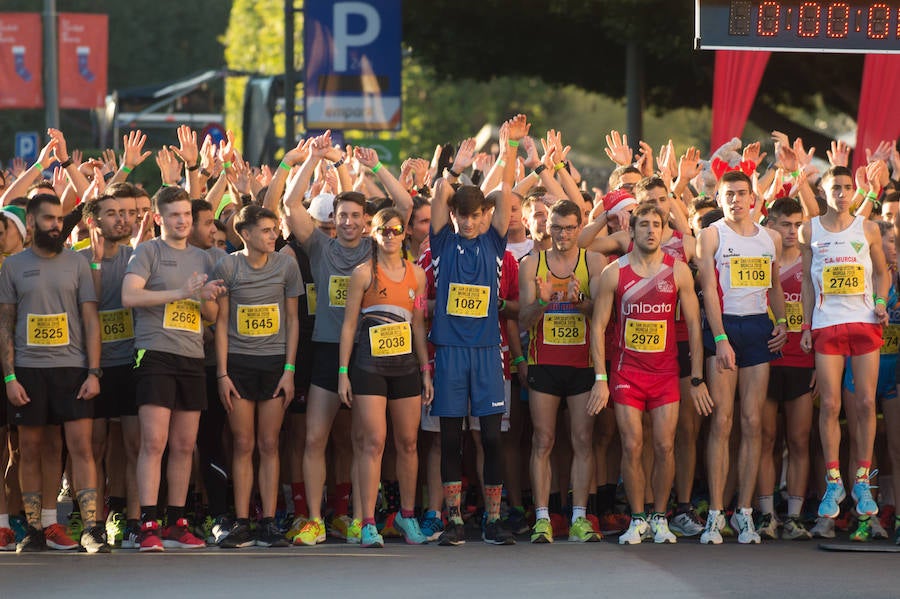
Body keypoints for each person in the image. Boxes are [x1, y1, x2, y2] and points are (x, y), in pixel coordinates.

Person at [283, 132, 412, 546]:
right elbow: (289, 205)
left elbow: (405, 206)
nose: (350, 222)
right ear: (333, 218)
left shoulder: (377, 248)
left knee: (364, 441)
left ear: (367, 221)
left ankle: (361, 519)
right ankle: (316, 520)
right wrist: (311, 160)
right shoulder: (319, 246)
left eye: (357, 216)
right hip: (325, 351)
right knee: (315, 437)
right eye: (343, 215)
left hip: (370, 353)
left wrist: (372, 168)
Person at [429, 115, 527, 546]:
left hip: (488, 352)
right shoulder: (442, 242)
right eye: (461, 216)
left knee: (491, 437)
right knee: (451, 439)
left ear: (485, 216)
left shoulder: (493, 241)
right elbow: (436, 199)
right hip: (449, 351)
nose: (468, 223)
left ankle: (491, 518)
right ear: (453, 215)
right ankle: (453, 519)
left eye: (475, 216)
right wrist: (449, 174)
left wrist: (510, 150)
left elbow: (506, 193)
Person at [588, 202, 711, 544]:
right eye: (644, 225)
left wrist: (698, 378)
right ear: (632, 231)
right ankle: (637, 518)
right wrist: (601, 379)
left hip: (665, 373)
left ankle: (659, 517)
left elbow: (694, 329)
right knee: (632, 444)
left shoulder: (678, 271)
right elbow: (598, 327)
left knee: (664, 445)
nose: (651, 230)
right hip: (627, 374)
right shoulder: (614, 273)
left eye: (657, 224)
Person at [0, 194, 107, 553]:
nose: (56, 225)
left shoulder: (77, 263)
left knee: (81, 447)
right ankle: (33, 529)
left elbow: (91, 320)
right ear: (30, 223)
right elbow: (6, 324)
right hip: (29, 371)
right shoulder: (13, 266)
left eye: (59, 219)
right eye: (48, 219)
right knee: (29, 449)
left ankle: (92, 528)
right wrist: (10, 377)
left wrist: (94, 372)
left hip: (72, 370)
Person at [122, 186, 225, 552]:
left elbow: (212, 316)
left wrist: (204, 299)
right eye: (175, 215)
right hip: (155, 354)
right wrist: (180, 292)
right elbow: (130, 296)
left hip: (192, 356)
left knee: (184, 444)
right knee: (155, 442)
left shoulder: (205, 257)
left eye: (186, 215)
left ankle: (177, 523)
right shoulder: (148, 251)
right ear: (158, 218)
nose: (182, 221)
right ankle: (147, 523)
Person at [696, 170, 788, 544]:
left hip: (757, 331)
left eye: (741, 193)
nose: (735, 200)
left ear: (754, 198)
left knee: (753, 423)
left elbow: (776, 284)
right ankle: (715, 513)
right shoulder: (712, 235)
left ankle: (745, 513)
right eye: (728, 194)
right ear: (720, 198)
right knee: (723, 421)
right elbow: (708, 290)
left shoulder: (772, 238)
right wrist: (719, 337)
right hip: (724, 327)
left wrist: (781, 321)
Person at [799, 166, 889, 531]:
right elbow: (806, 280)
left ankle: (863, 479)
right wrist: (805, 325)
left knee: (866, 403)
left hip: (864, 322)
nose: (841, 193)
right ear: (823, 192)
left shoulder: (867, 229)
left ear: (854, 191)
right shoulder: (810, 229)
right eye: (834, 187)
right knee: (832, 404)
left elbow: (883, 272)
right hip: (826, 324)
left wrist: (881, 301)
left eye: (847, 187)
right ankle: (834, 480)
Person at [337, 207, 432, 548]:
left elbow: (418, 325)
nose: (390, 236)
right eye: (383, 231)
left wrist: (425, 371)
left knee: (408, 443)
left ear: (405, 233)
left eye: (395, 229)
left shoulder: (417, 275)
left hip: (405, 367)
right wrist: (343, 373)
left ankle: (407, 516)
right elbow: (349, 326)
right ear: (373, 235)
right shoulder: (363, 273)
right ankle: (366, 522)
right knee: (373, 442)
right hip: (369, 367)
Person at [214, 205, 301, 548]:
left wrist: (290, 370)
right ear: (245, 234)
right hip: (238, 364)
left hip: (275, 365)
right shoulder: (228, 265)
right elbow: (220, 322)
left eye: (275, 228)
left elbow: (293, 320)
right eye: (266, 230)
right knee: (243, 444)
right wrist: (222, 374)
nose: (274, 235)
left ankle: (268, 521)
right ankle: (241, 522)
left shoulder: (286, 265)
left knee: (269, 444)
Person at [519, 199, 605, 543]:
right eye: (557, 227)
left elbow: (601, 316)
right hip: (544, 363)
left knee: (583, 440)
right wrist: (541, 302)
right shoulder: (532, 264)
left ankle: (580, 517)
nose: (564, 234)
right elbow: (524, 320)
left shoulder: (593, 261)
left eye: (570, 227)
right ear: (547, 228)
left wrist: (580, 299)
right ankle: (542, 517)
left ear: (579, 227)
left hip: (582, 364)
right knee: (543, 439)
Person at [80, 189, 142, 548]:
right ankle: (92, 521)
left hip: (131, 365)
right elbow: (88, 304)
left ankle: (133, 521)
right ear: (94, 221)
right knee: (95, 447)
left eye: (125, 213)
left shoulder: (138, 257)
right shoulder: (79, 259)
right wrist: (96, 263)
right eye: (112, 213)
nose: (122, 219)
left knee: (135, 446)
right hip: (93, 368)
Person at [756, 198, 815, 541]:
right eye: (785, 225)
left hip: (803, 361)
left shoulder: (810, 258)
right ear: (771, 225)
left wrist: (821, 363)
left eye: (797, 225)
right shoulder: (762, 257)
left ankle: (793, 517)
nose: (792, 232)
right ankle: (766, 515)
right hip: (767, 358)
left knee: (799, 440)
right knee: (765, 439)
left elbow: (822, 309)